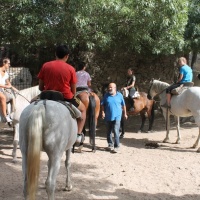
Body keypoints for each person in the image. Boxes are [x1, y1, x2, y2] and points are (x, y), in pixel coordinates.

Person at [37, 44, 86, 143]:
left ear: (55, 54)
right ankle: (78, 135)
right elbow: (73, 91)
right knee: (83, 109)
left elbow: (40, 87)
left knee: (31, 102)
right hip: (65, 97)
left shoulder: (45, 65)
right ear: (67, 56)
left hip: (46, 95)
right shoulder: (71, 69)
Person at [101, 82, 128, 153]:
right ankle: (110, 145)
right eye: (109, 87)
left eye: (111, 87)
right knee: (108, 132)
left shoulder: (120, 95)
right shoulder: (106, 95)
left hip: (117, 116)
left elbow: (123, 105)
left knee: (116, 131)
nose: (109, 89)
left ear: (115, 88)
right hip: (108, 116)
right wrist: (103, 112)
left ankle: (116, 146)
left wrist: (125, 114)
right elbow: (103, 104)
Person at [0, 58, 18, 123]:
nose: (9, 65)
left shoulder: (6, 74)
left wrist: (14, 89)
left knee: (12, 96)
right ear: (4, 63)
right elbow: (6, 85)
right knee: (3, 97)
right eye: (8, 63)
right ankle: (5, 116)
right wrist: (5, 86)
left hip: (2, 90)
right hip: (1, 91)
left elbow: (9, 84)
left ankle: (12, 114)